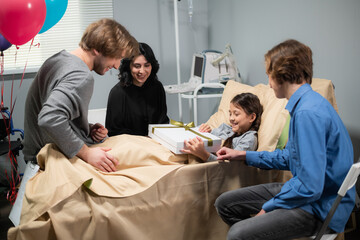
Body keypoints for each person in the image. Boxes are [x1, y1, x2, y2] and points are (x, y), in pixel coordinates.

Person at [215, 39, 356, 239]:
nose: (268, 83)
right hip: (308, 190)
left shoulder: (308, 113)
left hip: (319, 206)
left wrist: (269, 208)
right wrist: (244, 154)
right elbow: (290, 158)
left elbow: (310, 187)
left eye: (268, 75)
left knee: (237, 234)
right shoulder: (304, 105)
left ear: (282, 74)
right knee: (225, 204)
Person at [23, 18, 139, 173]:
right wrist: (87, 153)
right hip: (46, 158)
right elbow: (49, 117)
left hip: (35, 151)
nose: (117, 66)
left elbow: (51, 109)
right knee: (135, 152)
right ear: (97, 49)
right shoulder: (81, 76)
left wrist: (85, 128)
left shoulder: (58, 59)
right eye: (116, 57)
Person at [105, 42, 169, 136]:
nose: (142, 71)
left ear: (152, 66)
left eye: (147, 65)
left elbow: (162, 122)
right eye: (137, 66)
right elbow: (113, 131)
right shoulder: (117, 93)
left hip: (156, 143)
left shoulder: (157, 87)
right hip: (129, 146)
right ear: (129, 67)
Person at [181, 93, 262, 162]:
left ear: (252, 117)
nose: (231, 118)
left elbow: (227, 166)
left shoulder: (248, 139)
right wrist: (206, 131)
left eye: (236, 114)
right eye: (230, 114)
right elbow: (203, 136)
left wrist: (204, 155)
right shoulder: (227, 129)